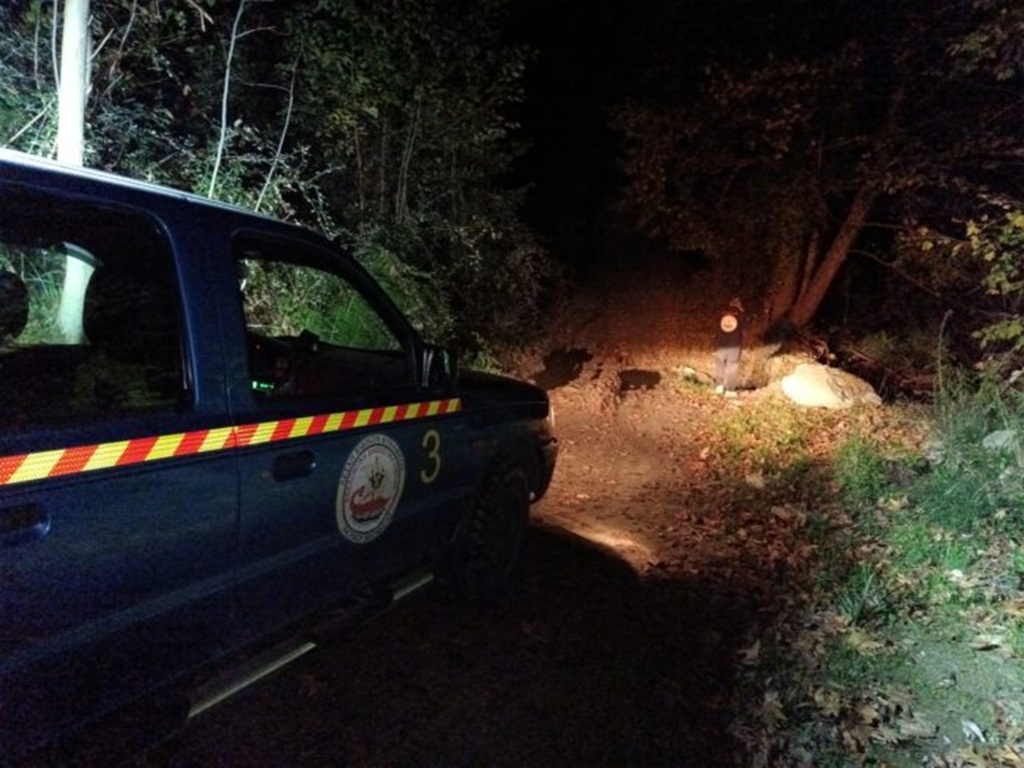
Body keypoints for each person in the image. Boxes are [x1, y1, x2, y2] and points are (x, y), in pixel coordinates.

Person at [713, 297, 745, 395]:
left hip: (721, 343)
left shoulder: (720, 313)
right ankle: (729, 390)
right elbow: (743, 329)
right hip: (734, 344)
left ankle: (719, 386)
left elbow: (715, 327)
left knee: (719, 364)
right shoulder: (740, 315)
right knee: (732, 365)